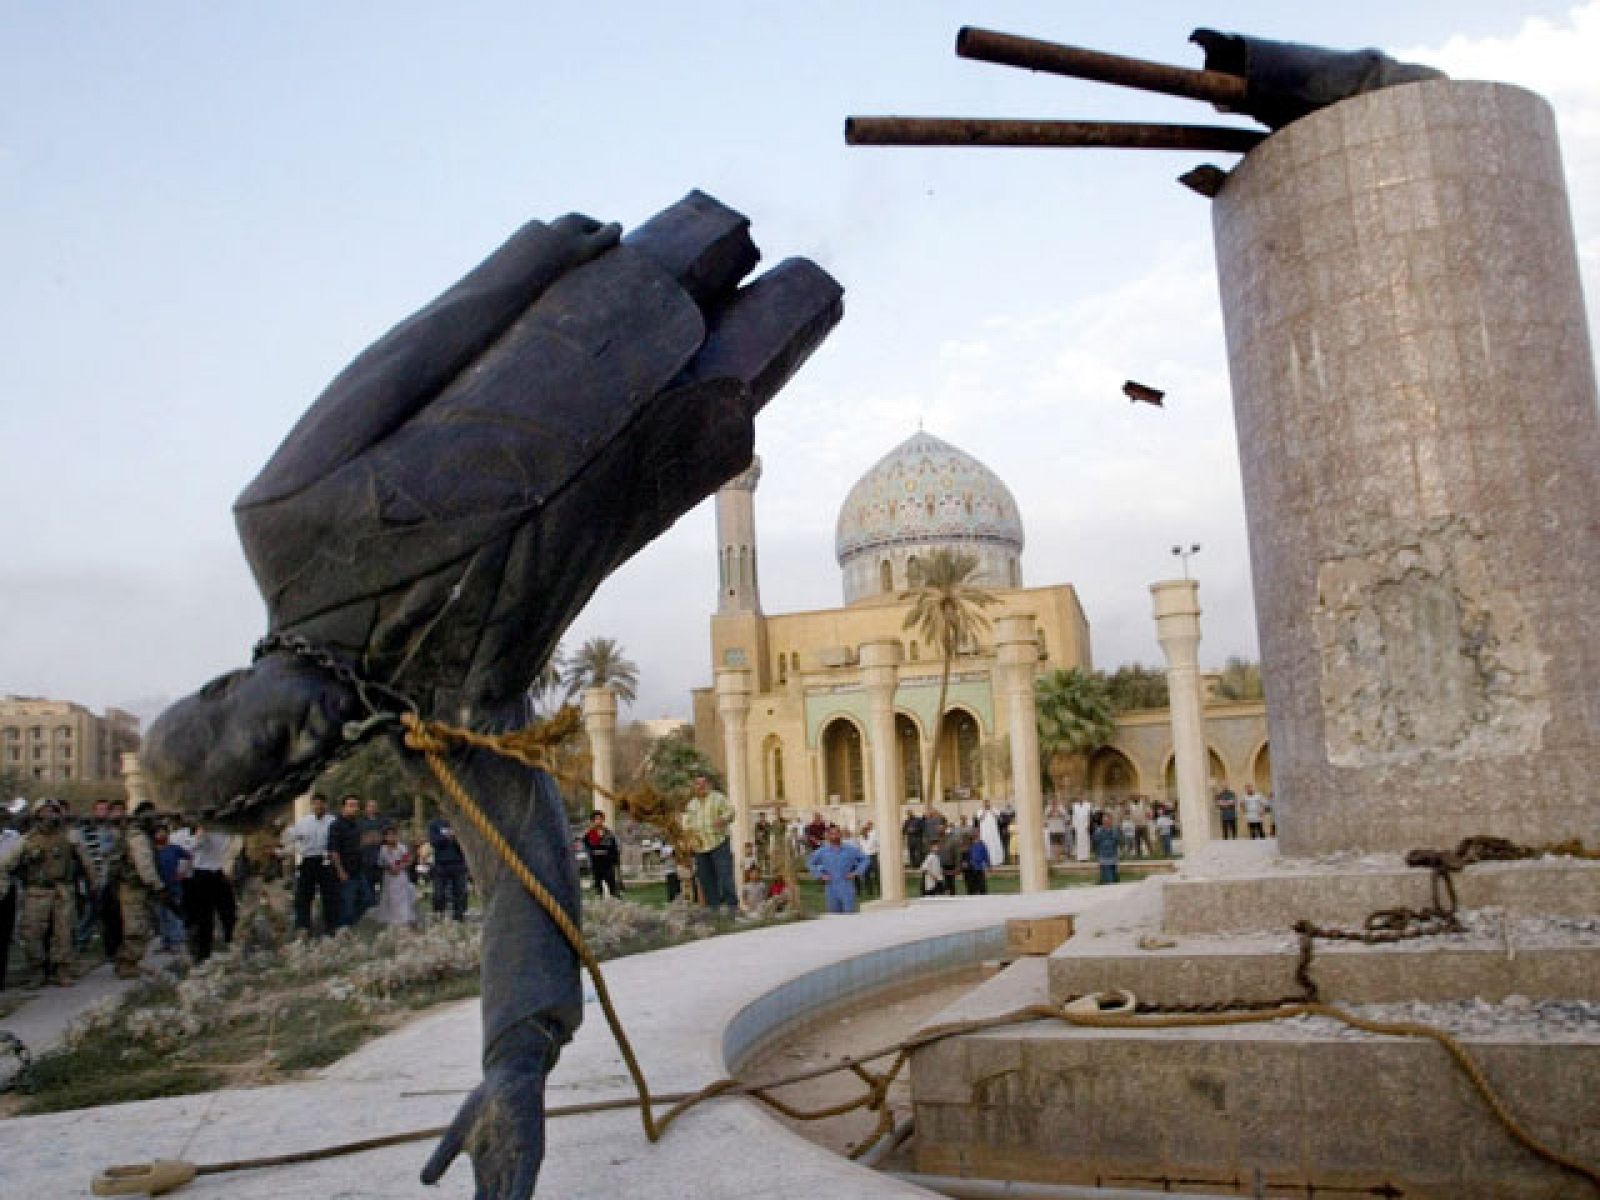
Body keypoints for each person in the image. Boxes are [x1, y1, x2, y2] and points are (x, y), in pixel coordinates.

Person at [15, 799, 90, 985]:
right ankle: (37, 970)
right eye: (44, 811)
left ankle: (62, 970)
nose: (49, 815)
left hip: (62, 890)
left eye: (53, 811)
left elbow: (86, 861)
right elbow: (8, 864)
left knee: (63, 933)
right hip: (36, 891)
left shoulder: (69, 836)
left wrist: (92, 883)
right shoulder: (27, 840)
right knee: (32, 933)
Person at [109, 803, 165, 978]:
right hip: (133, 887)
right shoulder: (138, 836)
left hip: (132, 886)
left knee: (139, 926)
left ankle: (128, 961)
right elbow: (144, 865)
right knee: (136, 928)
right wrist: (157, 885)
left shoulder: (135, 833)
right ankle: (127, 963)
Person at [185, 822, 240, 962]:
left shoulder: (226, 833)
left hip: (220, 873)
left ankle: (232, 943)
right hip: (202, 874)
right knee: (204, 916)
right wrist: (200, 835)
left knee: (228, 912)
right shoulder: (199, 833)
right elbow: (190, 847)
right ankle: (203, 952)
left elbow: (231, 849)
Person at [287, 792, 338, 936]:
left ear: (325, 804)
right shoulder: (304, 822)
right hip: (309, 859)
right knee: (304, 895)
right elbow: (292, 837)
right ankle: (303, 927)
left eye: (321, 803)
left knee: (329, 894)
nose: (319, 806)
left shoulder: (332, 821)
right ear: (312, 805)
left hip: (326, 860)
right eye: (316, 803)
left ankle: (331, 927)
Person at [684, 774, 736, 914]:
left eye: (703, 783)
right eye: (697, 784)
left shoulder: (718, 798)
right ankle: (715, 912)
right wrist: (689, 839)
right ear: (694, 787)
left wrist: (723, 819)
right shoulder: (691, 804)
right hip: (700, 848)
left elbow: (731, 811)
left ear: (708, 785)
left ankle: (733, 910)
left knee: (725, 878)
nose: (700, 786)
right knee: (707, 882)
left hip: (719, 844)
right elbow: (686, 824)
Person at [806, 824, 869, 914]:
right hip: (831, 887)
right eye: (832, 834)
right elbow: (810, 862)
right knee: (834, 917)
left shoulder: (850, 850)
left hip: (846, 886)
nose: (835, 836)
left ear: (841, 834)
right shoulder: (822, 851)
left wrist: (856, 872)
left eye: (837, 833)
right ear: (828, 836)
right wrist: (820, 875)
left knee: (849, 916)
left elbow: (865, 859)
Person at [328, 794, 367, 928]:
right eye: (351, 805)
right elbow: (333, 850)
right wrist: (340, 871)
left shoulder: (356, 825)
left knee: (368, 899)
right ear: (343, 807)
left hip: (358, 870)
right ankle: (343, 931)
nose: (354, 808)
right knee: (347, 907)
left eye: (356, 806)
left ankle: (353, 925)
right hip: (345, 871)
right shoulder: (336, 826)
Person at [152, 823, 190, 953]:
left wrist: (183, 872)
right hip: (158, 888)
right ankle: (165, 942)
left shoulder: (174, 848)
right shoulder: (153, 851)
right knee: (161, 916)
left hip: (174, 887)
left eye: (163, 832)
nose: (161, 835)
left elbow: (189, 857)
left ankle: (177, 942)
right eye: (158, 833)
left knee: (174, 915)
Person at [428, 814, 470, 921]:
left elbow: (466, 842)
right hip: (441, 863)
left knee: (460, 891)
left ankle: (459, 916)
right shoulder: (434, 824)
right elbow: (434, 841)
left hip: (458, 862)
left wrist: (456, 838)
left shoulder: (461, 822)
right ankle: (439, 914)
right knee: (439, 892)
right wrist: (448, 836)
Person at [374, 827, 418, 926]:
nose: (391, 837)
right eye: (388, 835)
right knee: (390, 897)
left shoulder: (402, 847)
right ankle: (391, 920)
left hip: (401, 876)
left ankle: (404, 919)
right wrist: (389, 867)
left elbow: (408, 860)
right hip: (389, 877)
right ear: (385, 837)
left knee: (402, 897)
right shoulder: (383, 849)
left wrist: (400, 867)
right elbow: (380, 863)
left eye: (393, 835)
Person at [582, 810, 623, 898]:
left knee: (612, 883)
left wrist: (614, 859)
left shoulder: (609, 833)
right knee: (598, 885)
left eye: (600, 819)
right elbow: (587, 847)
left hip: (607, 863)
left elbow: (614, 848)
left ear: (603, 820)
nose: (598, 821)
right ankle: (599, 901)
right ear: (593, 821)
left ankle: (616, 899)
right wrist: (593, 854)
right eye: (596, 819)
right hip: (596, 862)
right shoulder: (589, 834)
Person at [359, 797, 387, 904]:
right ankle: (370, 903)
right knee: (368, 883)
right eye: (370, 806)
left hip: (381, 858)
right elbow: (361, 839)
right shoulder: (360, 823)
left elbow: (386, 836)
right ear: (365, 809)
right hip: (366, 859)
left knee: (383, 883)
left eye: (374, 806)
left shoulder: (383, 821)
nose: (372, 808)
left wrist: (376, 838)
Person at [1092, 812, 1121, 885]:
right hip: (1102, 855)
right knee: (1105, 872)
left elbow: (1116, 840)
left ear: (1110, 821)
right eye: (1104, 820)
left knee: (1112, 873)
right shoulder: (1099, 831)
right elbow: (1096, 841)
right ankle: (1105, 881)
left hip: (1112, 855)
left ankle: (1110, 880)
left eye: (1107, 820)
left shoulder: (1114, 830)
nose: (1105, 822)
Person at [961, 831, 991, 895]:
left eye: (977, 834)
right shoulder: (967, 845)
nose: (975, 835)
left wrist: (988, 865)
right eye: (974, 834)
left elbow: (986, 855)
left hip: (979, 868)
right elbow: (963, 857)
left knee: (982, 887)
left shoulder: (982, 844)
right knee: (971, 888)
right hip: (970, 869)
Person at [977, 801, 1005, 868]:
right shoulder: (980, 811)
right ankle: (986, 861)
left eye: (988, 803)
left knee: (995, 844)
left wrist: (991, 810)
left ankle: (996, 861)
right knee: (985, 845)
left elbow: (998, 817)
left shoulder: (994, 809)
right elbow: (980, 818)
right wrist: (984, 811)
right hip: (985, 832)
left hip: (993, 832)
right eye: (985, 803)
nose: (987, 804)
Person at [858, 820, 880, 899]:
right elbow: (860, 848)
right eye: (862, 832)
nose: (863, 833)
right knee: (866, 874)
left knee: (877, 873)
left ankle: (879, 890)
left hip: (873, 855)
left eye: (865, 831)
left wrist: (877, 851)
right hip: (865, 857)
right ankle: (869, 891)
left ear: (867, 831)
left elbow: (878, 844)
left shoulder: (873, 836)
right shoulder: (860, 838)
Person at [1071, 797, 1093, 863]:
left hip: (1085, 825)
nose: (1080, 799)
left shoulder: (1088, 805)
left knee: (1086, 841)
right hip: (1078, 825)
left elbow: (1089, 815)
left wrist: (1089, 824)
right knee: (1078, 841)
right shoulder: (1075, 806)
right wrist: (1074, 825)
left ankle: (1086, 857)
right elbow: (1074, 816)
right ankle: (1080, 857)